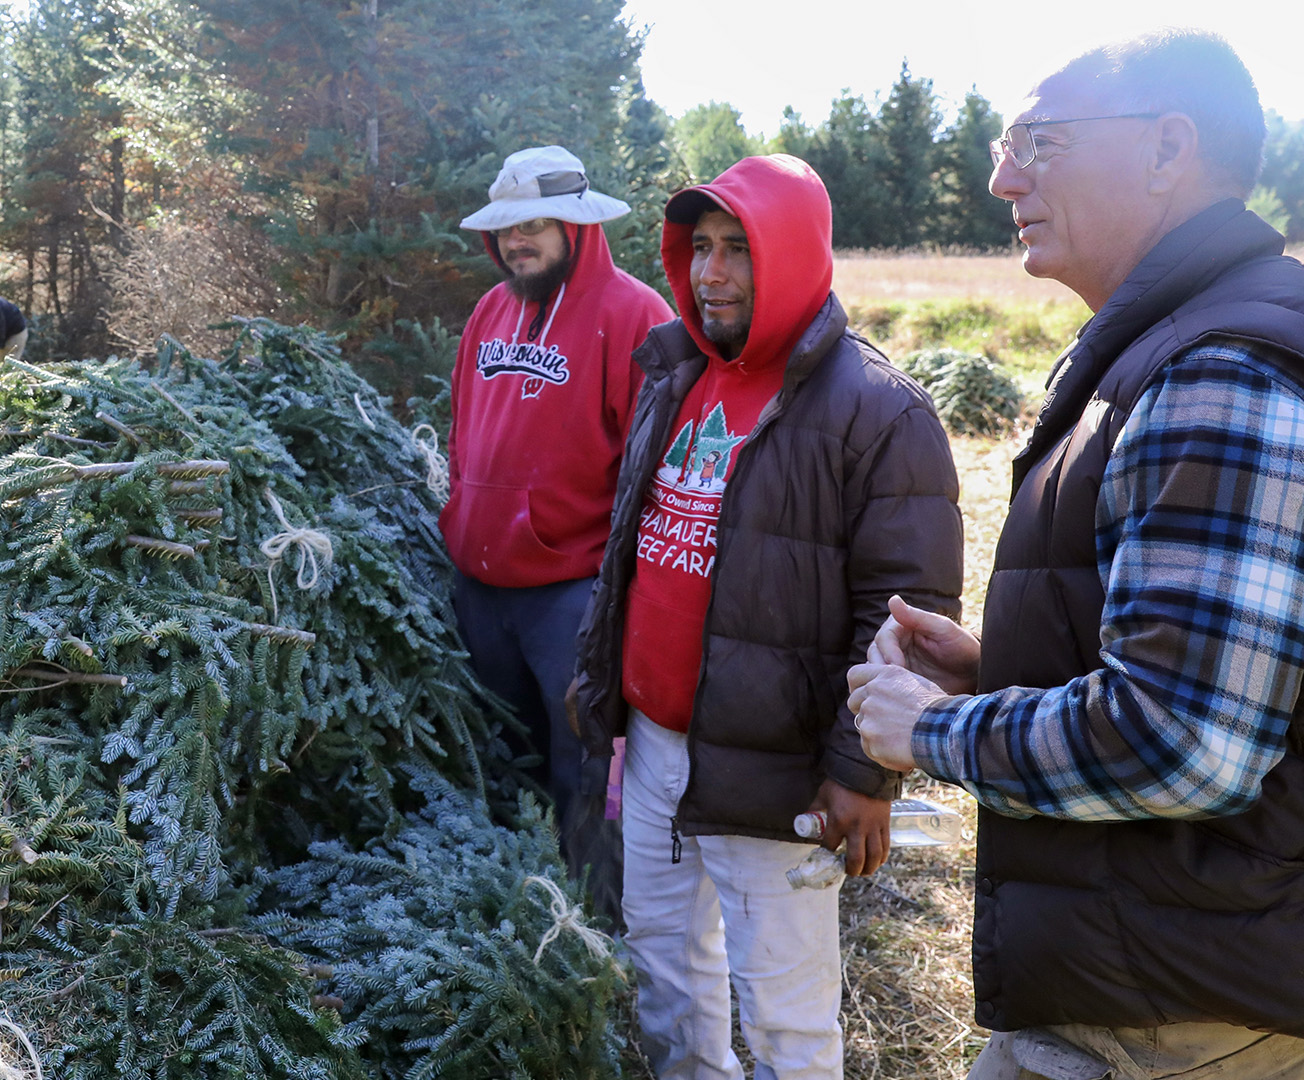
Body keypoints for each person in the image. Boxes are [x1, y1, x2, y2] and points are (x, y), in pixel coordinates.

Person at [847, 30, 1304, 1080]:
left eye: (1039, 142)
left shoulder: (1218, 372)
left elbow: (1188, 739)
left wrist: (938, 730)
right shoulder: (1177, 347)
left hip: (1174, 1018)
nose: (1002, 175)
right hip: (1169, 970)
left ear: (1166, 148)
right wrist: (1003, 669)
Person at [570, 154, 962, 1079]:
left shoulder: (877, 411)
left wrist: (861, 771)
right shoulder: (677, 374)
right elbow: (635, 547)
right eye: (699, 248)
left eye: (737, 248)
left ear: (791, 253)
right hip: (657, 744)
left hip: (775, 765)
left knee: (785, 1017)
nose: (709, 273)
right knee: (667, 970)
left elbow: (906, 614)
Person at [440, 145, 671, 832]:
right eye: (506, 228)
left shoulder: (637, 315)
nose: (516, 240)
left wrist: (622, 593)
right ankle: (510, 900)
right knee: (503, 758)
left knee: (583, 764)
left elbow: (658, 470)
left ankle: (589, 915)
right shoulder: (489, 310)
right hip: (480, 588)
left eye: (532, 225)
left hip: (572, 593)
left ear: (576, 227)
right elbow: (462, 430)